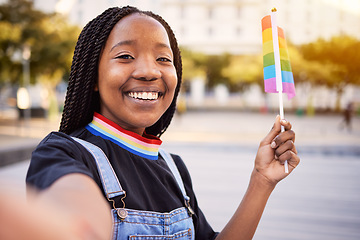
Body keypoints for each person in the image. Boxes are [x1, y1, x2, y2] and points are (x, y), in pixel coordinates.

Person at [5, 6, 299, 240]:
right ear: (93, 77)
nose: (148, 71)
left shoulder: (174, 167)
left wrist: (261, 181)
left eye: (163, 58)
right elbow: (75, 218)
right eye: (125, 56)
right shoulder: (62, 153)